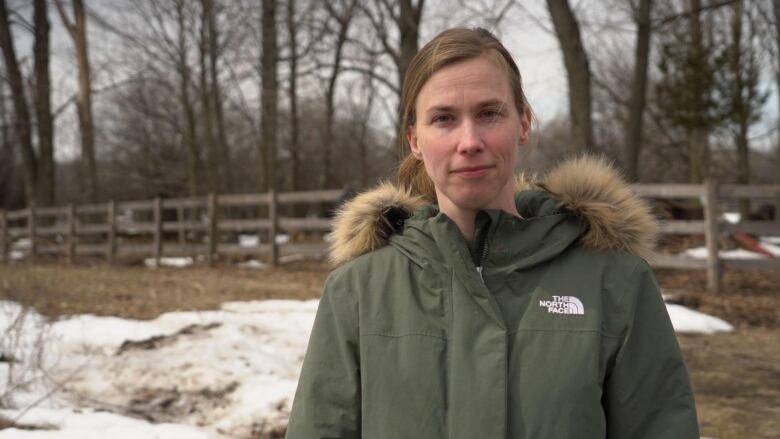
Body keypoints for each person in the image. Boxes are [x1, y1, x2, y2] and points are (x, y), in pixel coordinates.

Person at [285, 27, 699, 439]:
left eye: (489, 114)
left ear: (523, 123)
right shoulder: (357, 292)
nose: (469, 141)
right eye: (444, 119)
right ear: (415, 139)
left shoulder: (616, 283)